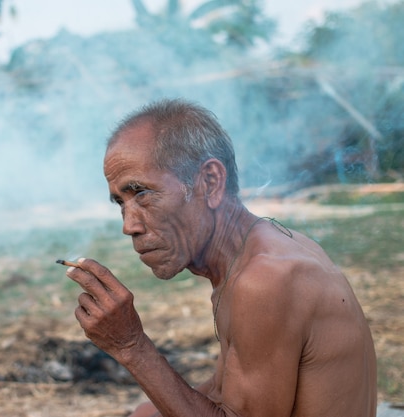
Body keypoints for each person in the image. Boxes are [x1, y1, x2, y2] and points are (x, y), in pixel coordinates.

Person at [64, 99, 377, 417]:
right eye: (120, 202)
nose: (129, 225)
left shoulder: (264, 279)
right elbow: (221, 394)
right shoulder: (250, 256)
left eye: (142, 193)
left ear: (210, 182)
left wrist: (131, 346)